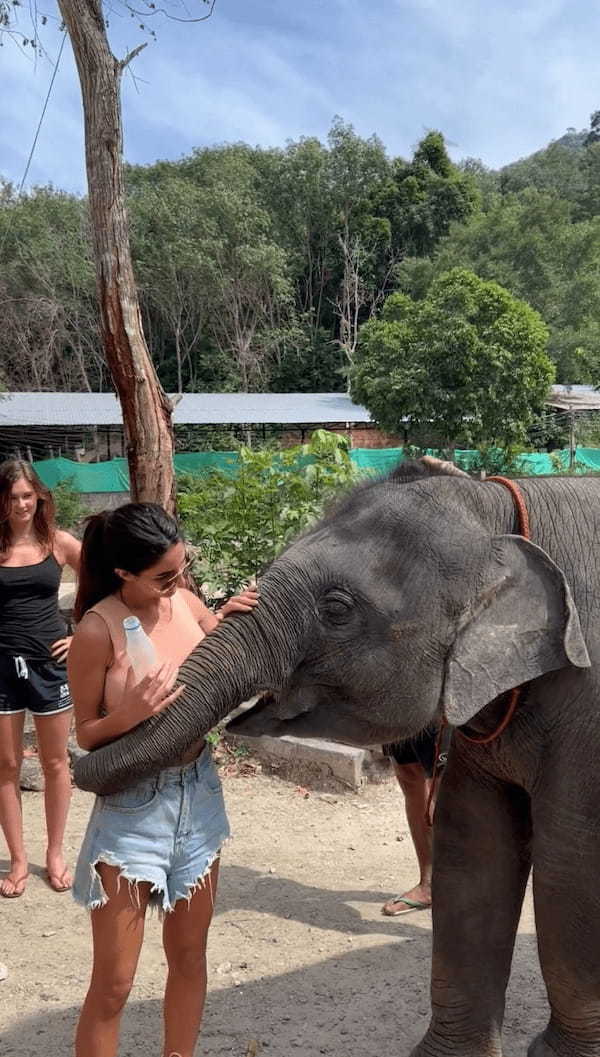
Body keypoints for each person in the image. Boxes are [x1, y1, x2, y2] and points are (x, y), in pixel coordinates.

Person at [68, 502, 258, 1057]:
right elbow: (85, 734)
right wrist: (131, 713)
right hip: (132, 811)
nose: (176, 583)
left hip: (198, 796)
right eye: (164, 576)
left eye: (182, 568)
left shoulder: (187, 602)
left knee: (190, 959)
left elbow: (218, 654)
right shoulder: (97, 630)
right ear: (124, 573)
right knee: (115, 984)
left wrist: (234, 616)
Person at [0, 459, 81, 899]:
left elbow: (103, 580)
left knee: (55, 763)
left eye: (27, 496)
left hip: (49, 664)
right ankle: (16, 859)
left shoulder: (59, 542)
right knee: (7, 765)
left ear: (40, 497)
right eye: (12, 497)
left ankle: (53, 853)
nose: (20, 505)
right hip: (1, 667)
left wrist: (83, 633)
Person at [381, 725, 446, 916]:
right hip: (396, 705)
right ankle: (428, 885)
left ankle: (471, 887)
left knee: (446, 784)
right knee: (408, 772)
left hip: (439, 704)